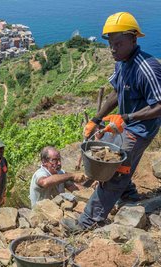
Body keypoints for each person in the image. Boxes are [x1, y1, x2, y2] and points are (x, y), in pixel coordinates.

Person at [61, 12, 161, 234]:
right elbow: (116, 93)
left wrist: (128, 117)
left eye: (118, 43)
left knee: (115, 170)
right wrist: (96, 120)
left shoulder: (148, 68)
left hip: (141, 129)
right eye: (110, 44)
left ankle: (86, 222)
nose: (113, 49)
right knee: (102, 150)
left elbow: (159, 106)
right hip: (125, 124)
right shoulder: (123, 63)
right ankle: (128, 195)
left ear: (134, 39)